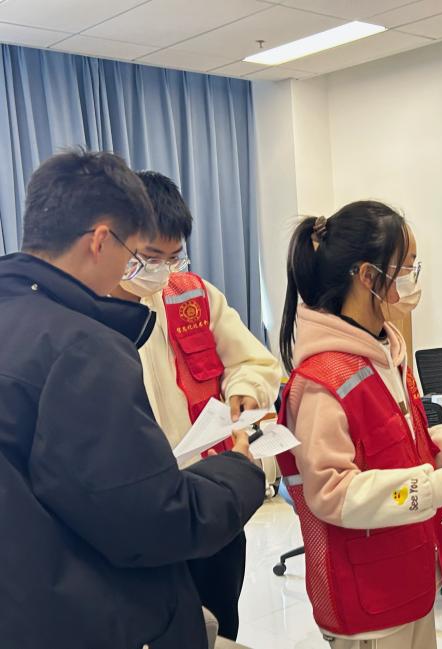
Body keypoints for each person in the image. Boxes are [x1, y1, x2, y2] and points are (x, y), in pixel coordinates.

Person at [0, 150, 264, 648]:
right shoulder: (82, 344)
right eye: (136, 253)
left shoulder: (17, 316)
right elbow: (151, 519)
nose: (139, 268)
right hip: (98, 596)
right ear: (102, 240)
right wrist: (242, 471)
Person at [274, 201, 442, 649]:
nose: (412, 279)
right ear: (368, 277)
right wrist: (434, 487)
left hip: (410, 575)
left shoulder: (386, 354)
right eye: (406, 267)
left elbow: (408, 445)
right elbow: (333, 493)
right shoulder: (321, 382)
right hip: (367, 601)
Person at [110, 170, 282, 640]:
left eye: (174, 257)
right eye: (150, 258)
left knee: (222, 620)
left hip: (209, 495)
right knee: (166, 627)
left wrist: (244, 388)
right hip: (144, 508)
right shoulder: (90, 314)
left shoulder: (193, 295)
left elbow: (254, 361)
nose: (163, 271)